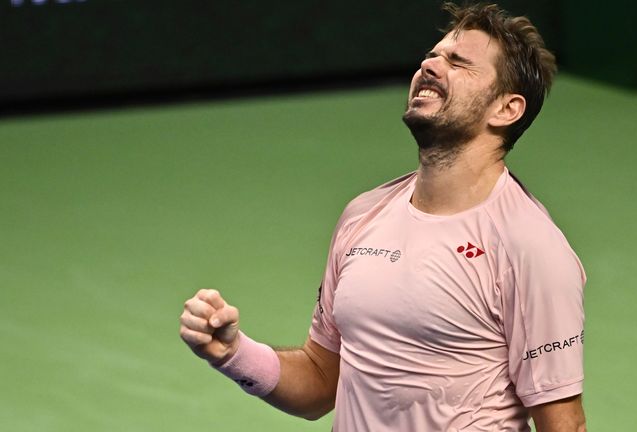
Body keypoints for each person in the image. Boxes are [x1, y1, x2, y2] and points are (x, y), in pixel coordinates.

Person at [180, 2, 587, 431]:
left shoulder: (530, 246)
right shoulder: (364, 214)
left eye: (458, 62)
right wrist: (232, 353)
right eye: (432, 56)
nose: (430, 66)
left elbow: (564, 424)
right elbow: (321, 382)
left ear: (506, 109)